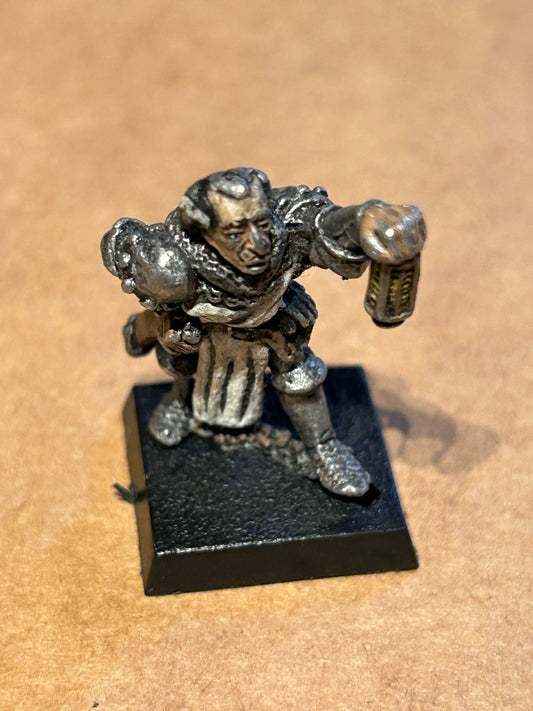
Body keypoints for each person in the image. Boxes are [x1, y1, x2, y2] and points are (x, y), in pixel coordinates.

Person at [101, 168, 426, 497]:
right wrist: (164, 325)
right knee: (182, 355)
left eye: (261, 222)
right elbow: (153, 297)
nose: (257, 244)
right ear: (203, 230)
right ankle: (182, 401)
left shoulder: (286, 222)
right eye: (234, 232)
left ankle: (323, 447)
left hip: (271, 317)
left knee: (299, 374)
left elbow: (323, 225)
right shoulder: (171, 260)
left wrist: (363, 220)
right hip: (202, 324)